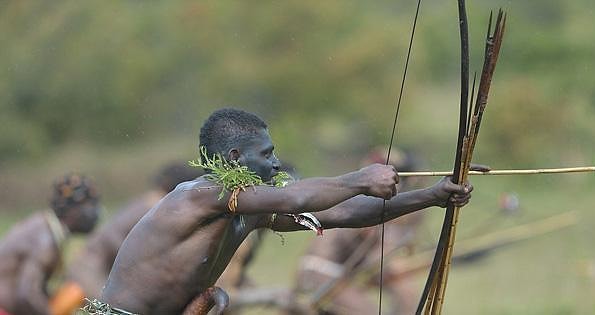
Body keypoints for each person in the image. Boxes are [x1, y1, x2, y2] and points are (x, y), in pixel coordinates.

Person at [97, 108, 473, 315]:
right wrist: (361, 177)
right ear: (234, 158)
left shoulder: (249, 207)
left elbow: (344, 214)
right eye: (266, 154)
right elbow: (296, 199)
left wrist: (434, 195)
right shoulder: (202, 193)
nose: (276, 164)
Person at [50, 164, 204, 315]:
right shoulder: (155, 204)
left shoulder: (150, 201)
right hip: (88, 270)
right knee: (112, 312)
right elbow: (114, 240)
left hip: (89, 268)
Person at [293, 147, 425, 315]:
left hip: (347, 273)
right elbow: (375, 259)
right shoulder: (362, 200)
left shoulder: (380, 204)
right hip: (322, 273)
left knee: (405, 290)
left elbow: (375, 262)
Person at [0, 173, 101, 315]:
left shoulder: (47, 228)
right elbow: (27, 295)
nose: (96, 212)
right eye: (90, 205)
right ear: (72, 209)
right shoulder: (45, 239)